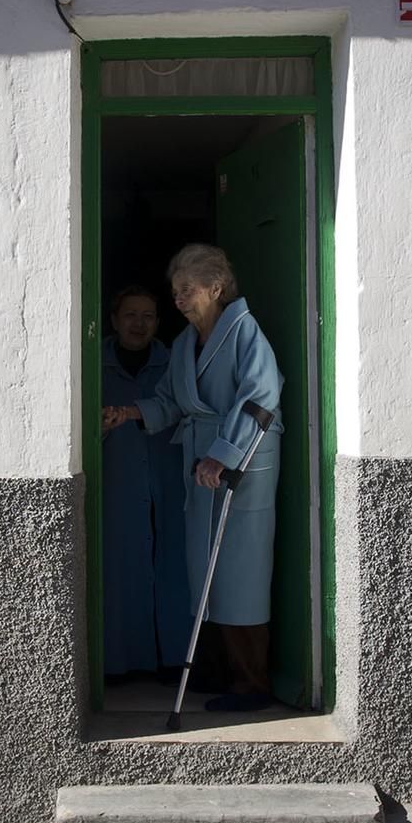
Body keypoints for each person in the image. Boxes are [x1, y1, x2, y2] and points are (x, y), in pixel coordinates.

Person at [102, 243, 283, 712]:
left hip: (243, 463)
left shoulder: (245, 333)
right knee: (204, 567)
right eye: (176, 290)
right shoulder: (185, 344)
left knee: (240, 569)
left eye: (188, 290)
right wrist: (128, 412)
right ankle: (216, 669)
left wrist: (222, 455)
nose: (179, 299)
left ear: (215, 289)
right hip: (201, 465)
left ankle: (252, 683)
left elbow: (261, 397)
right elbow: (169, 401)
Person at [100, 286, 191, 680]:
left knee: (174, 568)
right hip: (117, 482)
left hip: (168, 481)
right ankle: (120, 664)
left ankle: (174, 661)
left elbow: (186, 409)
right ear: (114, 320)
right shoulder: (92, 363)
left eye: (148, 316)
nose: (139, 324)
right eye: (131, 315)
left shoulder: (174, 363)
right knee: (120, 568)